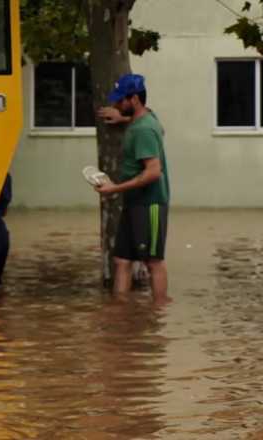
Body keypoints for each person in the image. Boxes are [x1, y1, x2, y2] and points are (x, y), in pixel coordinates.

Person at [94, 73, 171, 305]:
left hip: (150, 204)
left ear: (134, 99)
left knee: (152, 261)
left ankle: (159, 314)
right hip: (133, 202)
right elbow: (159, 127)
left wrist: (115, 189)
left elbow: (153, 172)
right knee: (122, 260)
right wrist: (122, 118)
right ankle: (121, 316)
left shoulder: (143, 130)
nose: (116, 104)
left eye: (120, 101)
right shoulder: (146, 119)